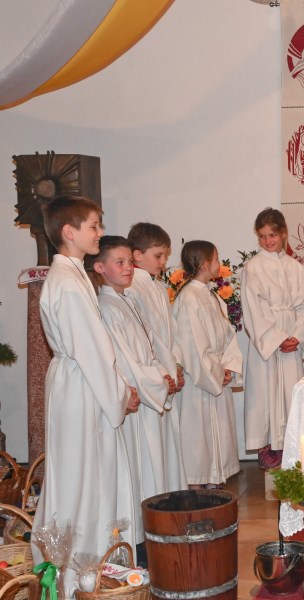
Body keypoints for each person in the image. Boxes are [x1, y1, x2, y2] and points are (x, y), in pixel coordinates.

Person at [35, 196, 139, 597]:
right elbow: (93, 350)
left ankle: (90, 564)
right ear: (70, 231)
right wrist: (120, 393)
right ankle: (76, 570)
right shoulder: (67, 282)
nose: (99, 232)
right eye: (94, 226)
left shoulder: (73, 275)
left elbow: (96, 348)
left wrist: (117, 388)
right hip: (82, 385)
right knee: (83, 475)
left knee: (87, 473)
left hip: (81, 381)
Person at [94, 235, 183, 558]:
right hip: (138, 401)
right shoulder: (106, 307)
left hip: (151, 391)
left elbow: (150, 344)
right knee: (142, 471)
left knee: (155, 469)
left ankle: (157, 531)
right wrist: (158, 380)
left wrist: (167, 372)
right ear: (100, 267)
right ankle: (141, 544)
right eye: (120, 263)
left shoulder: (128, 299)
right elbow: (124, 361)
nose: (128, 268)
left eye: (129, 261)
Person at [242, 208, 304, 469]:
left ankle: (291, 449)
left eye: (272, 235)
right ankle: (268, 448)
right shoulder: (253, 268)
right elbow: (253, 308)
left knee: (290, 393)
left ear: (283, 234)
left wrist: (297, 336)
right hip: (267, 343)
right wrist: (276, 338)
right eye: (262, 236)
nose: (268, 241)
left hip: (291, 340)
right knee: (265, 394)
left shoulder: (295, 268)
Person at [173, 240, 243, 489]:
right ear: (204, 264)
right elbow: (192, 342)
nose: (219, 263)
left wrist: (228, 365)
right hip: (199, 378)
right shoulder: (190, 297)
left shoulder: (209, 294)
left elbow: (227, 334)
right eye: (216, 259)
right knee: (197, 433)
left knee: (216, 431)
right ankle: (196, 483)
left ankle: (213, 477)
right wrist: (214, 373)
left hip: (215, 368)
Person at [128, 222, 187, 494]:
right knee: (151, 446)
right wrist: (164, 371)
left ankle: (168, 497)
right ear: (137, 255)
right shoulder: (133, 288)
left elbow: (170, 333)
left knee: (166, 445)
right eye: (158, 256)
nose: (164, 263)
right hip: (152, 375)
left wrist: (176, 365)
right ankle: (154, 500)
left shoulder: (156, 286)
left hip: (165, 373)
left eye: (165, 256)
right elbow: (150, 339)